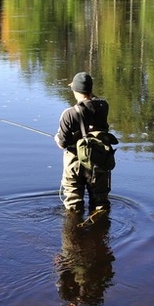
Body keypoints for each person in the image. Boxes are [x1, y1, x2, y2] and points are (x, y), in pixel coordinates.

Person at [54, 71, 111, 211]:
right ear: (91, 90)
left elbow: (62, 144)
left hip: (75, 163)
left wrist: (56, 137)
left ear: (75, 90)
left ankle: (73, 229)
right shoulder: (103, 106)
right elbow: (95, 103)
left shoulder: (69, 114)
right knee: (100, 203)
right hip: (98, 160)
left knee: (74, 205)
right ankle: (100, 228)